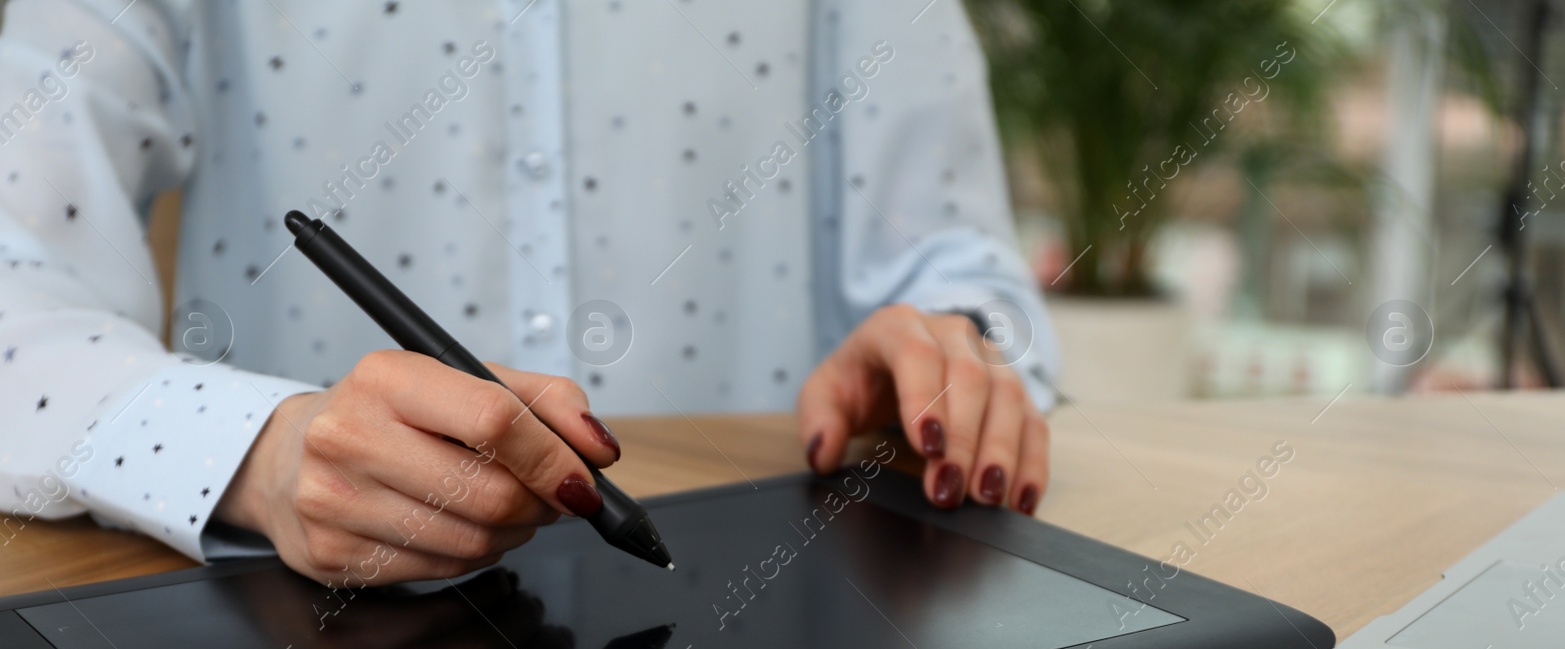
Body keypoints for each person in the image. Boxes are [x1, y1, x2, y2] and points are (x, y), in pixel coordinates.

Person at [0, 0, 1057, 585]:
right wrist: (264, 451)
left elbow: (961, 272)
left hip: (779, 632)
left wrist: (944, 354)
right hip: (322, 648)